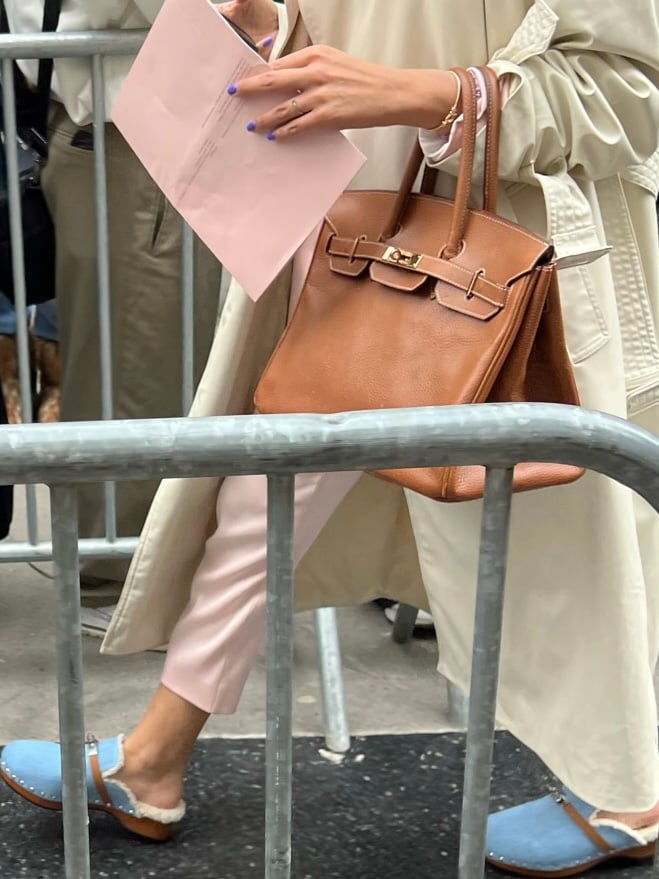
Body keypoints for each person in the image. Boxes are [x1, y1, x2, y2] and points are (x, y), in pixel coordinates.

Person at [2, 0, 659, 874]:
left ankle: (627, 788)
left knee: (559, 530)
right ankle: (155, 757)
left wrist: (426, 95)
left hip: (500, 257)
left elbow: (631, 89)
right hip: (346, 237)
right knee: (265, 491)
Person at [3, 0, 223, 590]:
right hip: (127, 143)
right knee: (141, 370)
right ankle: (121, 573)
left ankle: (115, 562)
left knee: (121, 362)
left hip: (104, 137)